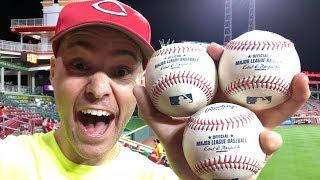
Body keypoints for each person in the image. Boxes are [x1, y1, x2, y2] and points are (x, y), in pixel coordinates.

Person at [0, 0, 310, 179]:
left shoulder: (162, 177)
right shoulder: (7, 161)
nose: (97, 89)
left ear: (142, 83)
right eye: (79, 65)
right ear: (53, 72)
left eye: (121, 71)